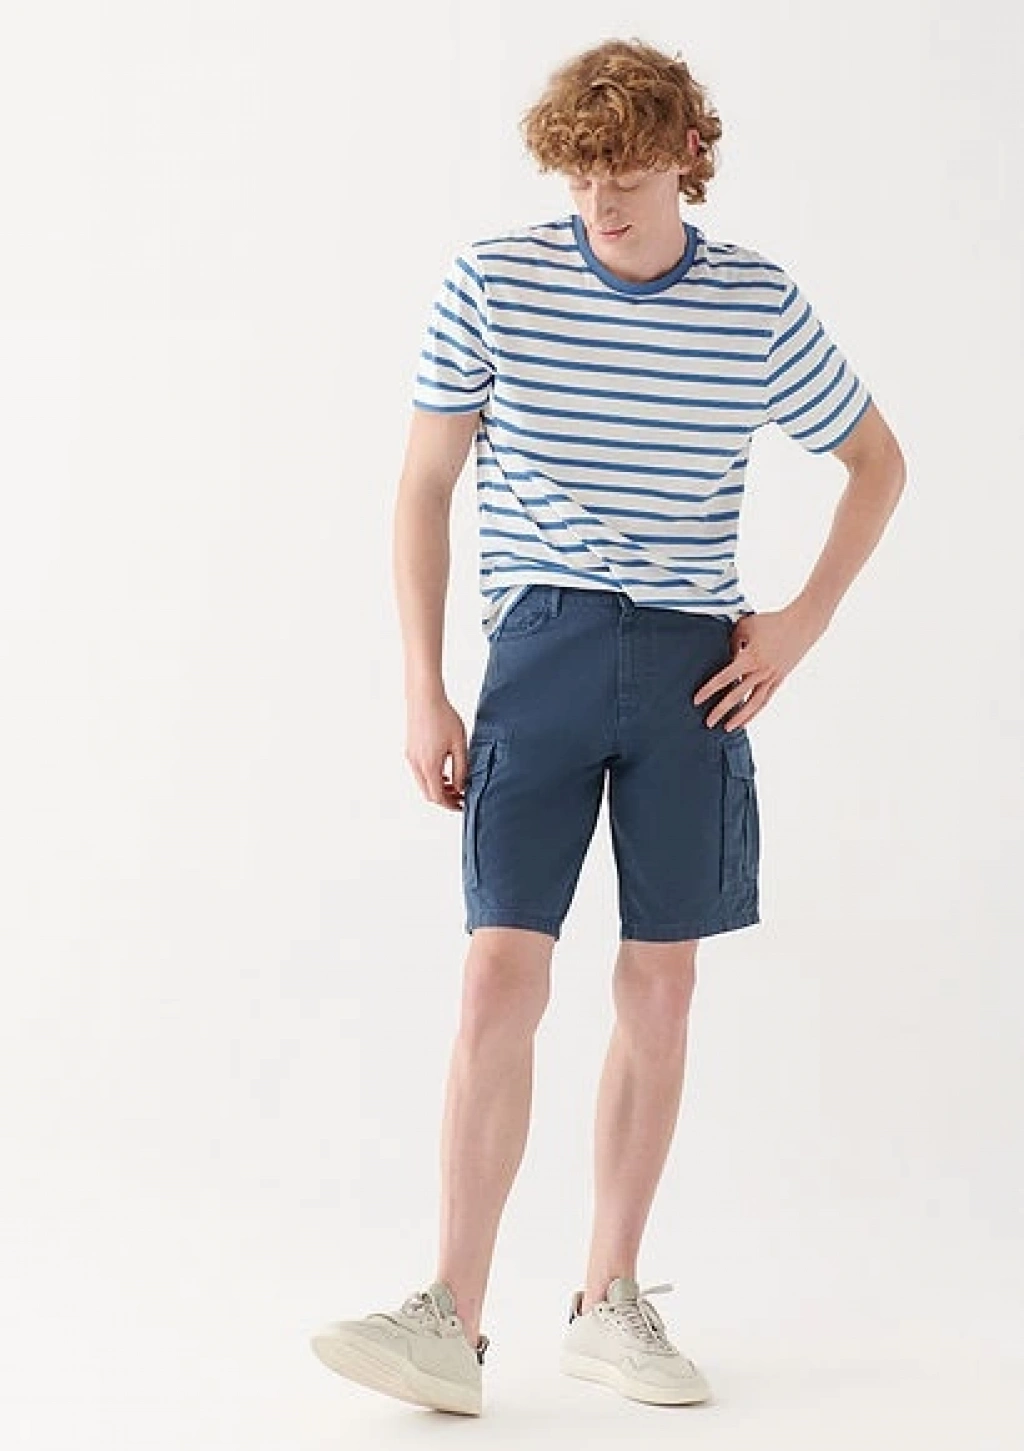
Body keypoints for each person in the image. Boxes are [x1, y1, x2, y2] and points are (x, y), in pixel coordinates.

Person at [310, 36, 906, 1416]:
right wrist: (421, 682)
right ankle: (449, 1316)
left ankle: (609, 1296)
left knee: (661, 983)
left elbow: (877, 461)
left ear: (687, 159)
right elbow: (422, 484)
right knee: (497, 973)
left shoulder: (755, 303)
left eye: (627, 180)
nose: (601, 209)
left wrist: (800, 622)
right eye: (581, 182)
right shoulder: (494, 281)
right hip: (541, 648)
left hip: (696, 666)